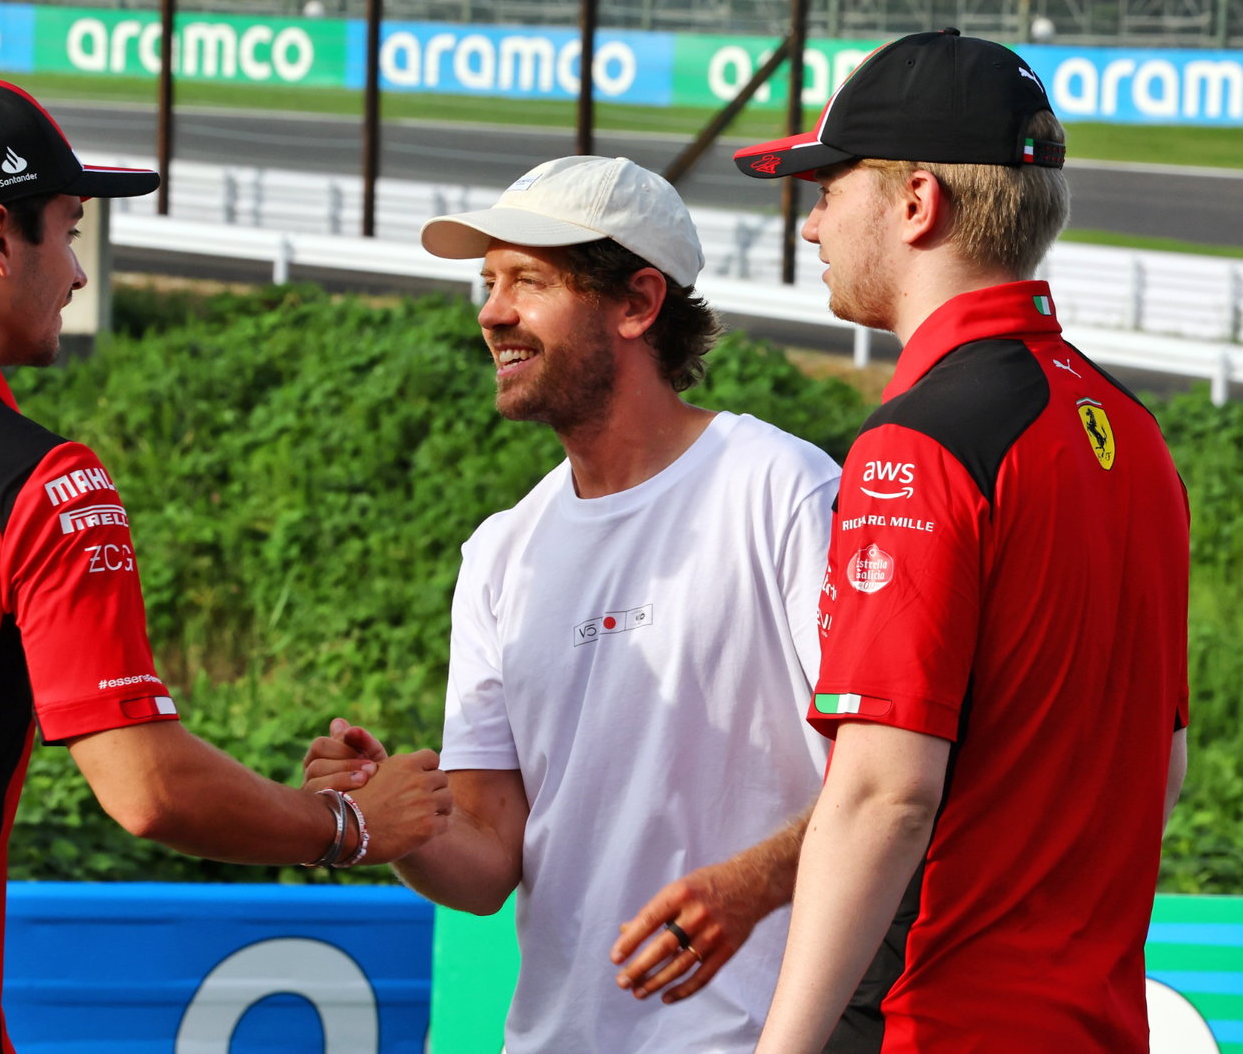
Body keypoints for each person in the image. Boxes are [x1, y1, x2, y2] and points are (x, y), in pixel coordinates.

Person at [0, 75, 450, 1052]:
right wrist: (344, 825)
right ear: (0, 239)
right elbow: (148, 790)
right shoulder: (37, 479)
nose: (76, 276)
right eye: (68, 232)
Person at [303, 154, 842, 1051]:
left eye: (529, 280)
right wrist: (384, 820)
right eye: (487, 281)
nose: (491, 312)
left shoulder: (783, 489)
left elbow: (885, 782)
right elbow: (484, 867)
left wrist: (748, 886)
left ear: (637, 303)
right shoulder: (501, 552)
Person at [732, 29, 1191, 1051]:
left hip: (930, 1019)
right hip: (1092, 1021)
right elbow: (1156, 777)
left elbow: (884, 792)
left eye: (826, 187)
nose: (810, 226)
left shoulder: (919, 444)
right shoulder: (1135, 437)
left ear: (914, 203)